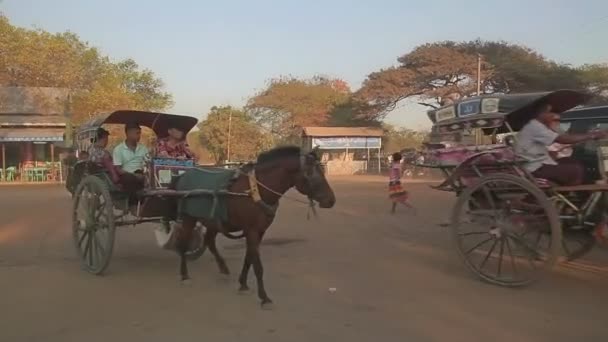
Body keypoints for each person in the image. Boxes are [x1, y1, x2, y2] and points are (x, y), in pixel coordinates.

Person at [514, 104, 608, 186]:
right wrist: (592, 135)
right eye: (550, 113)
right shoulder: (535, 126)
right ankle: (574, 193)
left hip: (536, 164)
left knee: (571, 161)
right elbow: (562, 139)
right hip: (534, 168)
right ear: (541, 114)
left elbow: (535, 149)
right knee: (575, 169)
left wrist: (550, 154)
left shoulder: (537, 126)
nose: (553, 117)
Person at [112, 123, 148, 197]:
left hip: (141, 172)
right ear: (128, 133)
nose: (139, 136)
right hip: (127, 175)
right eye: (137, 133)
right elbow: (118, 169)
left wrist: (144, 174)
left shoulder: (143, 148)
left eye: (139, 133)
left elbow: (147, 164)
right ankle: (134, 203)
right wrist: (134, 175)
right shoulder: (118, 149)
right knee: (129, 179)